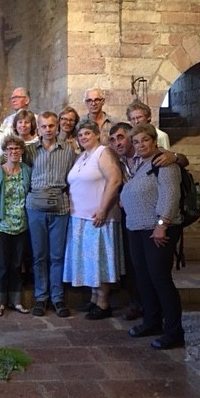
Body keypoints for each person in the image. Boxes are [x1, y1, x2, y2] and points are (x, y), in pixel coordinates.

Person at [119, 124, 185, 350]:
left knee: (160, 279)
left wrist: (161, 224)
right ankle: (152, 322)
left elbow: (170, 195)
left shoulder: (164, 163)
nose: (140, 145)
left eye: (144, 140)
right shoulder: (141, 164)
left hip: (155, 230)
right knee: (143, 278)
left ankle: (174, 332)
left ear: (154, 141)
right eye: (136, 142)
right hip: (137, 229)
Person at [63, 121, 123, 320]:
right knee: (89, 261)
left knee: (100, 259)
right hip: (80, 217)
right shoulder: (82, 156)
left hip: (99, 217)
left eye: (88, 133)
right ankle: (94, 298)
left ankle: (104, 303)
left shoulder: (103, 152)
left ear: (97, 134)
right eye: (80, 135)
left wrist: (103, 209)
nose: (83, 137)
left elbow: (115, 179)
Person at [24, 111, 76, 318]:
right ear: (38, 127)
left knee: (57, 255)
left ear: (58, 127)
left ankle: (57, 297)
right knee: (39, 255)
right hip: (35, 205)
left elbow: (73, 177)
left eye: (52, 126)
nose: (48, 130)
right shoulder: (29, 151)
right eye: (44, 126)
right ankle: (40, 296)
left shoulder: (68, 150)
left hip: (60, 206)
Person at [0, 134, 31, 317]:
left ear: (21, 151)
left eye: (17, 148)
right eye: (10, 149)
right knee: (1, 265)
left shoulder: (26, 170)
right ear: (4, 152)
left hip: (21, 224)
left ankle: (16, 301)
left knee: (17, 265)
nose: (13, 152)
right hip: (2, 225)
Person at [108, 122, 143, 320]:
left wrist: (174, 156)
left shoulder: (145, 157)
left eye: (120, 137)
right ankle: (136, 303)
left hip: (149, 217)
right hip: (128, 216)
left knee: (147, 265)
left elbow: (179, 160)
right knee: (131, 261)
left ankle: (151, 307)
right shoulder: (118, 162)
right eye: (113, 140)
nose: (117, 143)